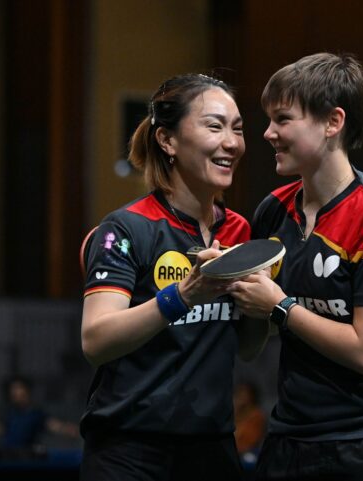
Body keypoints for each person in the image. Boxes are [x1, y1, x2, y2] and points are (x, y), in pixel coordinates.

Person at [229, 52, 363, 480]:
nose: (268, 133)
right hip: (294, 437)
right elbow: (256, 335)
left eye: (283, 119)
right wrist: (227, 282)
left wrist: (280, 306)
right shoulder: (272, 212)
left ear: (333, 122)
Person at [79, 73, 252, 480]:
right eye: (214, 126)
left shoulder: (241, 232)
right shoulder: (124, 229)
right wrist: (184, 295)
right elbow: (96, 340)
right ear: (167, 140)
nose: (231, 142)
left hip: (212, 448)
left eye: (238, 128)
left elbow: (246, 347)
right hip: (129, 450)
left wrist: (267, 307)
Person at [0, 375, 79, 457]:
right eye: (12, 389)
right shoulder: (11, 414)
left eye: (18, 388)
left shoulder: (36, 414)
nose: (14, 392)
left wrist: (69, 429)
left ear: (26, 391)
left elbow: (53, 425)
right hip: (10, 457)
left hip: (27, 459)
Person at [232, 382, 266, 458]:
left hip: (248, 454)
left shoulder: (256, 416)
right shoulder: (234, 414)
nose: (240, 397)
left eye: (244, 393)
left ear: (251, 396)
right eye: (238, 393)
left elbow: (250, 441)